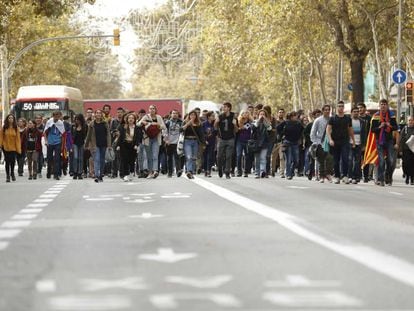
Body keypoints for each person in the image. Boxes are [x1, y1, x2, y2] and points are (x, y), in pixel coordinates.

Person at [370, 99, 398, 186]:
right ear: (379, 105)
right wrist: (379, 127)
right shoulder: (376, 116)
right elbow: (372, 130)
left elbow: (396, 127)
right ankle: (381, 179)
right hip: (380, 141)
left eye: (385, 104)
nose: (383, 106)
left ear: (387, 106)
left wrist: (390, 125)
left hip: (389, 140)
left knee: (391, 160)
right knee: (381, 161)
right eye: (381, 104)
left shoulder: (391, 116)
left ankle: (388, 176)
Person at [326, 101, 355, 184]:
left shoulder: (347, 118)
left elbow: (350, 129)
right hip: (335, 142)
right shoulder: (333, 118)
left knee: (346, 158)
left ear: (344, 108)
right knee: (336, 160)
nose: (340, 108)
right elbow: (328, 129)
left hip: (345, 141)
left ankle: (345, 176)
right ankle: (337, 176)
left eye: (342, 106)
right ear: (337, 107)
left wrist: (353, 140)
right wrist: (330, 139)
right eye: (339, 106)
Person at [138, 105, 166, 179]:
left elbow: (164, 127)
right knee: (149, 156)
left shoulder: (159, 117)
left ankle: (155, 171)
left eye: (153, 108)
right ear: (148, 110)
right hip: (147, 139)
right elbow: (138, 124)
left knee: (155, 155)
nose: (152, 110)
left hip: (156, 138)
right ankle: (150, 172)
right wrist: (144, 122)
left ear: (155, 110)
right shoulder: (146, 116)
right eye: (150, 109)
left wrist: (157, 124)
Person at [85, 109, 112, 183]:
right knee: (96, 159)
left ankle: (101, 175)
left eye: (100, 113)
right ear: (95, 114)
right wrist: (86, 145)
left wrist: (109, 145)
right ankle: (96, 175)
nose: (98, 114)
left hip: (103, 144)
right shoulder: (91, 124)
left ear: (101, 115)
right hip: (95, 144)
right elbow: (88, 135)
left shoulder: (105, 123)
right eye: (97, 113)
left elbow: (108, 134)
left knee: (102, 160)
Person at [277, 111, 304, 180]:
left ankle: (291, 171)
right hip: (287, 142)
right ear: (291, 117)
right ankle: (288, 174)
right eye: (294, 116)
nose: (295, 117)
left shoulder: (299, 124)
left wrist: (300, 139)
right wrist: (281, 135)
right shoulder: (286, 122)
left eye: (296, 116)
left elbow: (302, 131)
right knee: (288, 159)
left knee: (296, 160)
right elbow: (278, 128)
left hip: (295, 143)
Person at [310, 104, 333, 183]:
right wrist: (316, 142)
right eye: (325, 110)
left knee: (330, 158)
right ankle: (321, 176)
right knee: (321, 160)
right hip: (320, 142)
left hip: (329, 141)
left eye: (328, 110)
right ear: (323, 111)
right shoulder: (318, 120)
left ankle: (328, 174)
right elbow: (313, 133)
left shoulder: (332, 119)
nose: (327, 111)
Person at [215, 102, 238, 179]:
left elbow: (237, 130)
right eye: (223, 107)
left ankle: (227, 172)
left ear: (229, 108)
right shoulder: (220, 116)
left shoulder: (233, 116)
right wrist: (216, 121)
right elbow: (215, 127)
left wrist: (235, 124)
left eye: (225, 107)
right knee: (219, 156)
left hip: (230, 139)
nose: (223, 108)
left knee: (228, 156)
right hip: (221, 139)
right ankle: (220, 169)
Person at [117, 113, 142, 182]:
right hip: (124, 145)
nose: (131, 119)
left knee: (131, 161)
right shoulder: (123, 127)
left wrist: (136, 145)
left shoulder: (136, 128)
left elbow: (138, 137)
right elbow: (120, 137)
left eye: (132, 118)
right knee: (124, 160)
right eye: (129, 118)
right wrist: (118, 145)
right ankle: (126, 175)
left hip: (133, 146)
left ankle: (131, 173)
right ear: (127, 119)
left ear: (134, 120)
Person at [181, 110, 204, 179]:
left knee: (194, 157)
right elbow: (181, 130)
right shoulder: (185, 122)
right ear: (189, 115)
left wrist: (203, 143)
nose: (193, 116)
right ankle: (189, 171)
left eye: (194, 115)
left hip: (195, 142)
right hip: (187, 141)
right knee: (189, 156)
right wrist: (188, 123)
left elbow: (201, 134)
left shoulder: (198, 123)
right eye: (191, 115)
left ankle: (192, 170)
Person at [44, 111, 65, 180]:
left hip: (57, 142)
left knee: (57, 159)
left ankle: (56, 174)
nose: (56, 116)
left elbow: (62, 134)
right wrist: (46, 141)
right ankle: (49, 172)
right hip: (50, 142)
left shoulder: (60, 123)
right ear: (53, 115)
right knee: (49, 158)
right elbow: (45, 132)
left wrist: (62, 145)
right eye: (55, 115)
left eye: (58, 115)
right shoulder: (49, 121)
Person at [0, 114, 21, 182]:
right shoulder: (4, 127)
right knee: (7, 161)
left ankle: (12, 173)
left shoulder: (16, 128)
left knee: (12, 161)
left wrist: (18, 148)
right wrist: (1, 145)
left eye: (12, 118)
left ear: (13, 119)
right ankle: (7, 176)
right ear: (7, 119)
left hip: (13, 147)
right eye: (9, 118)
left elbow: (18, 139)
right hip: (5, 147)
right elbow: (1, 137)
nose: (10, 119)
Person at [164, 109, 183, 178]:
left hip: (177, 142)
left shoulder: (181, 122)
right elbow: (164, 131)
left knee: (177, 157)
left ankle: (178, 171)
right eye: (173, 113)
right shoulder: (167, 122)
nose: (175, 114)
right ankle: (169, 172)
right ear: (171, 114)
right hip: (169, 142)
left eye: (176, 113)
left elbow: (182, 132)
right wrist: (166, 140)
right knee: (169, 158)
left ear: (178, 115)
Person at [398, 116, 414, 185]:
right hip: (406, 149)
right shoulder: (405, 129)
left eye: (412, 120)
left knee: (412, 164)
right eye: (409, 120)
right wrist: (400, 150)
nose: (410, 122)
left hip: (413, 150)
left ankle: (412, 178)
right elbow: (401, 139)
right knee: (406, 164)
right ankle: (407, 176)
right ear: (407, 121)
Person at [71, 114, 88, 180]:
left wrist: (86, 144)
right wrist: (70, 145)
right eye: (76, 119)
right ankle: (75, 172)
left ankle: (80, 173)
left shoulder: (85, 126)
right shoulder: (73, 126)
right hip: (75, 144)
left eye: (78, 119)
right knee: (75, 158)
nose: (77, 121)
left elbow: (86, 136)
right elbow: (71, 136)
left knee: (81, 158)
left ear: (81, 120)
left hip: (82, 144)